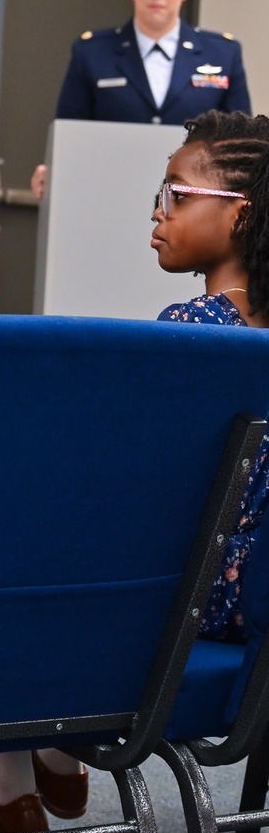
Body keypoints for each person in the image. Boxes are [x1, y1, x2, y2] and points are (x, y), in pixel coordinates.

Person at [151, 111, 269, 638]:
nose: (158, 211)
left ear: (241, 217)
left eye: (178, 195)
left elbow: (154, 494)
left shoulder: (194, 329)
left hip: (207, 593)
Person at [31, 0, 250, 199]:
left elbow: (241, 144)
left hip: (195, 199)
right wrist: (54, 169)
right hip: (109, 192)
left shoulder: (222, 53)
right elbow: (69, 135)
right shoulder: (92, 52)